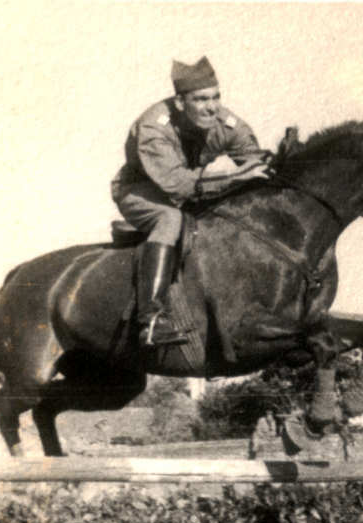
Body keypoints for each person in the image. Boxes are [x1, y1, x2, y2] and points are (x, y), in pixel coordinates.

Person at [111, 56, 270, 345]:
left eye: (216, 97)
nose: (212, 107)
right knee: (169, 218)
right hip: (141, 191)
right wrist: (234, 177)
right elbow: (177, 185)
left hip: (191, 187)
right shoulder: (153, 127)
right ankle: (151, 321)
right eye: (201, 99)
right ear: (180, 102)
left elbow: (254, 159)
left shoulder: (224, 122)